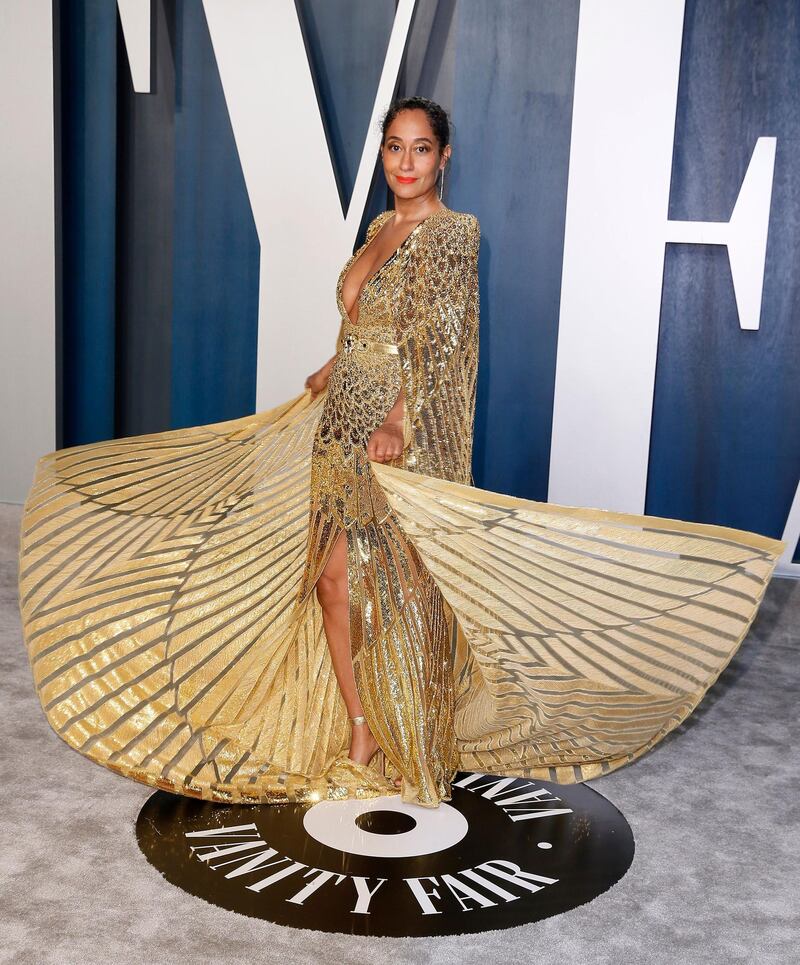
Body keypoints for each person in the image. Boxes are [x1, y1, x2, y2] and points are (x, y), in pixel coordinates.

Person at [18, 97, 784, 809]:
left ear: (444, 157)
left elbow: (443, 343)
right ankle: (361, 722)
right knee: (327, 582)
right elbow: (369, 325)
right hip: (339, 423)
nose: (406, 161)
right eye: (394, 147)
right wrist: (333, 366)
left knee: (394, 589)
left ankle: (398, 735)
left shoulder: (453, 233)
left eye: (421, 149)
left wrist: (403, 422)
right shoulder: (374, 229)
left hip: (392, 436)